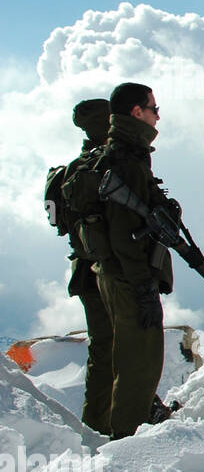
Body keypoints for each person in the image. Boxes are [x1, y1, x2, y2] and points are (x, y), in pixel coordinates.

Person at [95, 82, 176, 439]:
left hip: (115, 274)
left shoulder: (122, 152)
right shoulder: (126, 158)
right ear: (136, 113)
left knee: (127, 360)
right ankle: (126, 448)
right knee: (139, 366)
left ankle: (121, 434)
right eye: (153, 108)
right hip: (128, 277)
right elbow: (123, 232)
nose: (158, 115)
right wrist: (143, 285)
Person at [65, 98, 113, 435]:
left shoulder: (76, 168)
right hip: (103, 272)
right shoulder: (101, 167)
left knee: (108, 349)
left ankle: (101, 422)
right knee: (111, 350)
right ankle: (99, 427)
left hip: (88, 271)